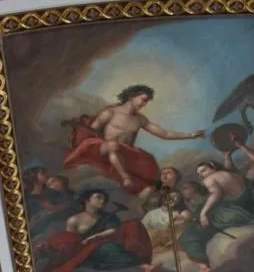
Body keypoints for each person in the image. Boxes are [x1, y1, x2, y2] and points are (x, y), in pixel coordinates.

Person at [62, 85, 205, 198]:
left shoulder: (140, 119)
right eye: (143, 99)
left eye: (146, 101)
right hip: (103, 150)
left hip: (124, 154)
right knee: (112, 145)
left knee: (147, 165)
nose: (144, 104)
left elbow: (164, 134)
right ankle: (125, 177)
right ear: (132, 96)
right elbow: (90, 133)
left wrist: (191, 135)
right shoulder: (110, 112)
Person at [178, 161, 254, 272]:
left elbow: (215, 193)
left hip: (230, 214)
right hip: (243, 213)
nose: (201, 175)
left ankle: (203, 266)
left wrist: (203, 213)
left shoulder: (210, 179)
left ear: (213, 168)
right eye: (199, 174)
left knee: (188, 237)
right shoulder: (232, 175)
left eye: (203, 170)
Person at [35, 189, 156, 272]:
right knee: (108, 249)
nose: (102, 201)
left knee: (129, 229)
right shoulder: (74, 219)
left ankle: (142, 265)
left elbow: (115, 230)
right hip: (85, 250)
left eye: (103, 199)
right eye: (98, 197)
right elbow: (69, 239)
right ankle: (141, 266)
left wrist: (95, 236)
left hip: (106, 243)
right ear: (87, 200)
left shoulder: (109, 216)